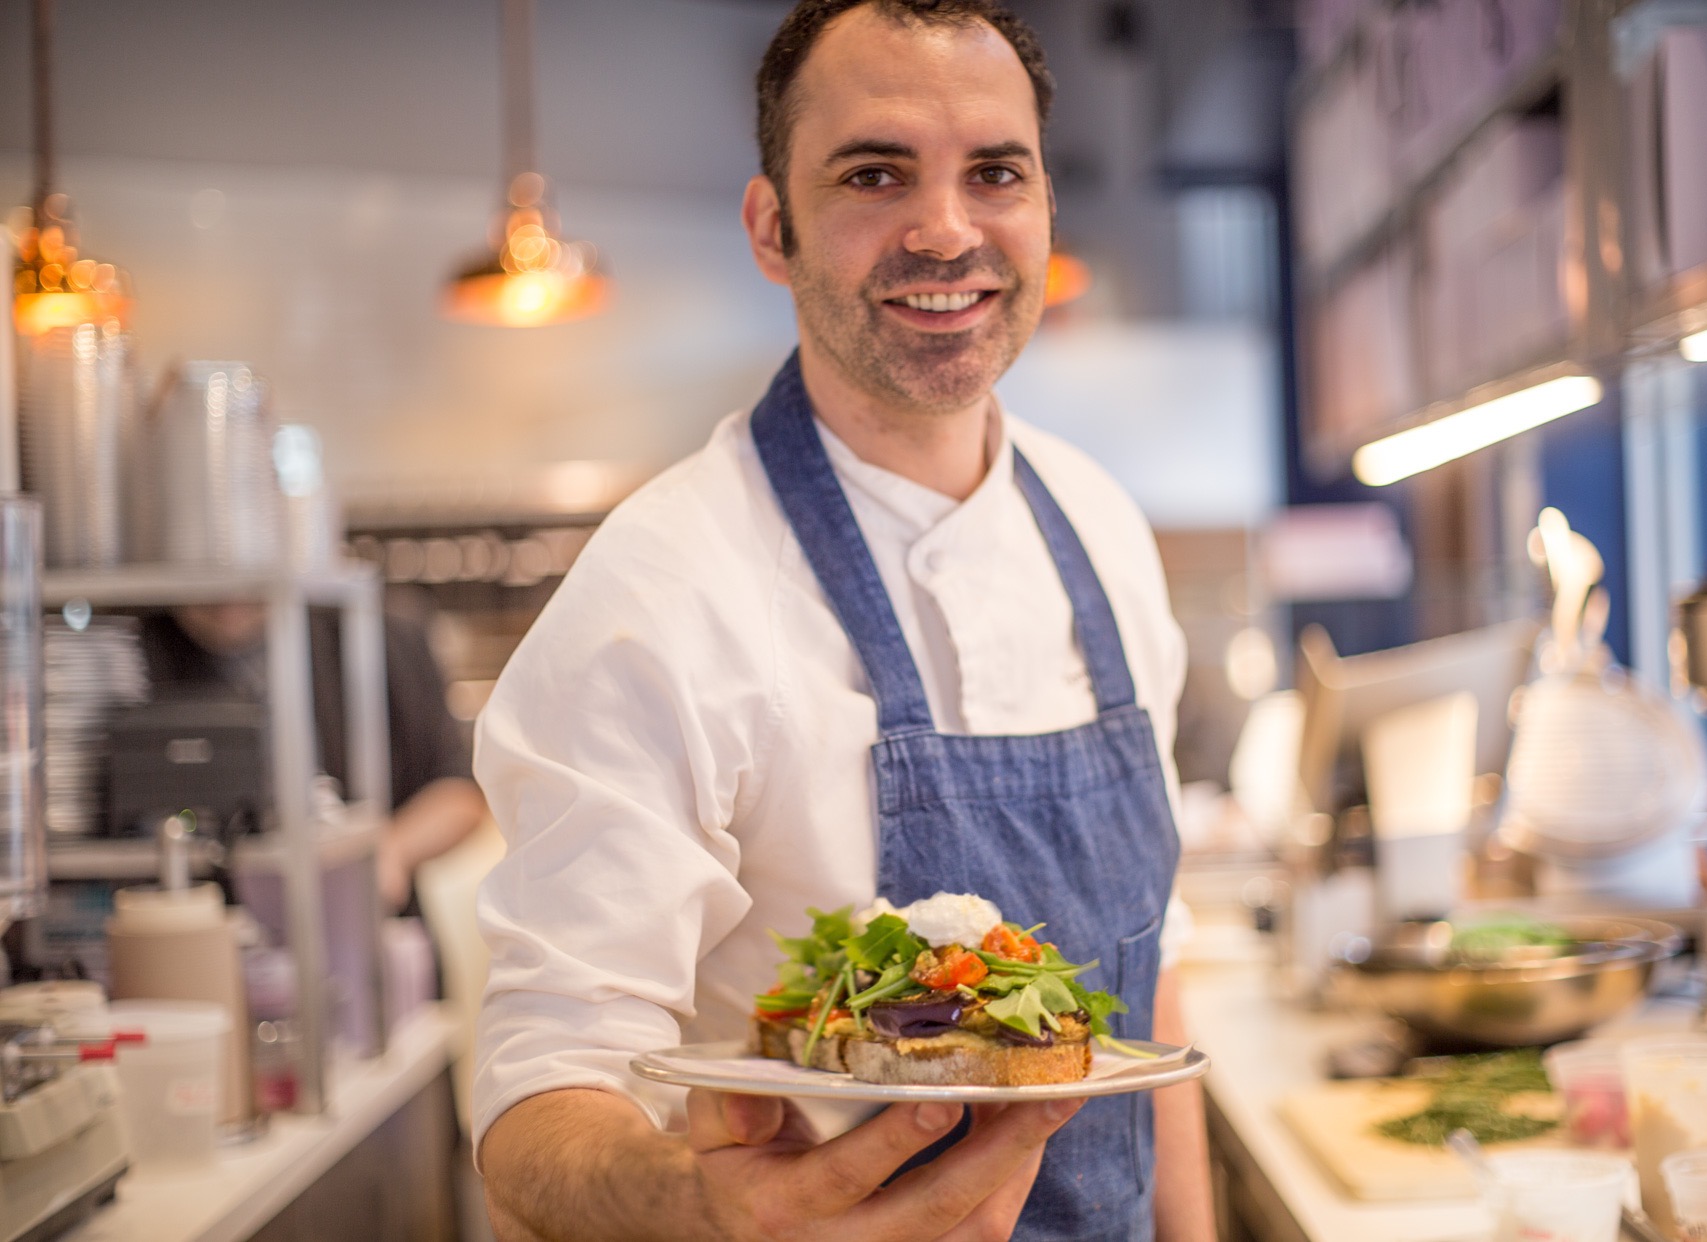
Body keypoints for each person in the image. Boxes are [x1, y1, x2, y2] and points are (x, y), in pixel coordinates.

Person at [473, 2, 1217, 1238]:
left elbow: (1155, 987)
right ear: (774, 228)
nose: (946, 230)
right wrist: (706, 1209)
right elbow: (540, 1097)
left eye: (996, 174)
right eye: (875, 174)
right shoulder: (662, 590)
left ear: (1043, 211)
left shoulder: (1103, 526)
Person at [141, 603, 488, 913]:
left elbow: (459, 792)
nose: (229, 604)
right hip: (199, 928)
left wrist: (391, 848)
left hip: (366, 930)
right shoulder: (135, 651)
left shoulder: (379, 635)